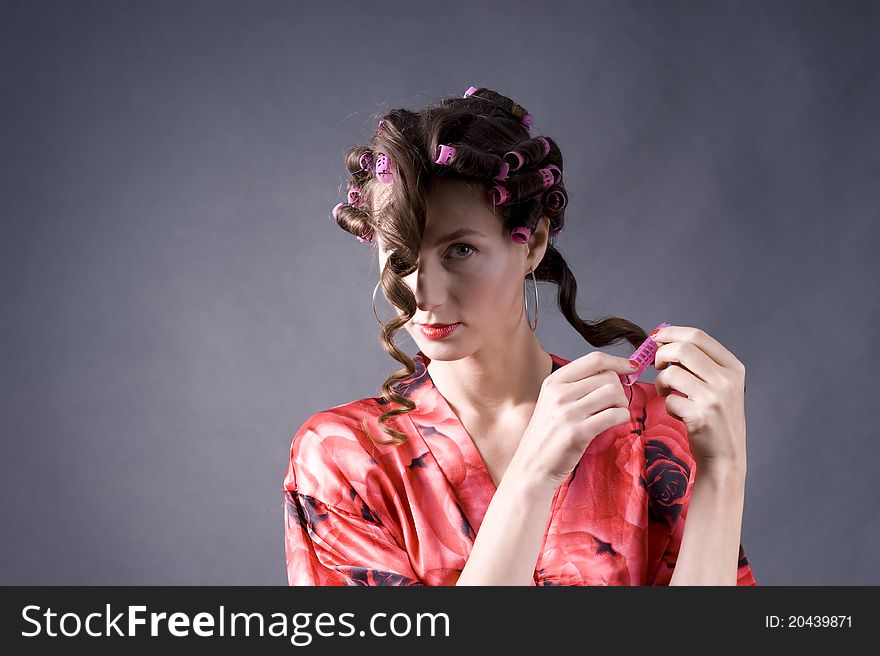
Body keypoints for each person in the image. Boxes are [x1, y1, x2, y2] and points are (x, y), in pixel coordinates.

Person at [282, 86, 757, 586]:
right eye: (400, 257)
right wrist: (532, 478)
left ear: (532, 242)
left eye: (459, 251)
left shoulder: (649, 435)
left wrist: (724, 472)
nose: (424, 293)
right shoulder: (343, 457)